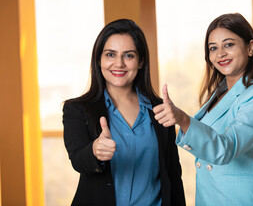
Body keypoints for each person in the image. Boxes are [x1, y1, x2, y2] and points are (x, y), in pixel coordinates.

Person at [153, 13, 253, 205]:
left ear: (250, 47)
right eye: (213, 48)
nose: (220, 53)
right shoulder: (218, 94)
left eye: (229, 44)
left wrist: (183, 119)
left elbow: (225, 148)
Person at [63, 19, 186, 206]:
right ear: (99, 59)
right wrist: (94, 151)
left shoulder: (160, 109)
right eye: (110, 54)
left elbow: (173, 176)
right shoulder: (77, 109)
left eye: (128, 56)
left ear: (141, 61)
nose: (119, 63)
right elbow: (78, 160)